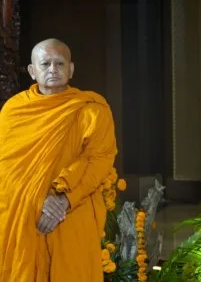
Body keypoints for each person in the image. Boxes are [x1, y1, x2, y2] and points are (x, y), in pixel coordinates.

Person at [0, 39, 118, 281]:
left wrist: (64, 200)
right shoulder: (14, 110)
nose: (52, 69)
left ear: (71, 69)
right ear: (33, 71)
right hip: (24, 216)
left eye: (59, 63)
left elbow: (100, 160)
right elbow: (6, 167)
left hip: (72, 212)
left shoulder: (92, 109)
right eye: (45, 63)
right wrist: (37, 198)